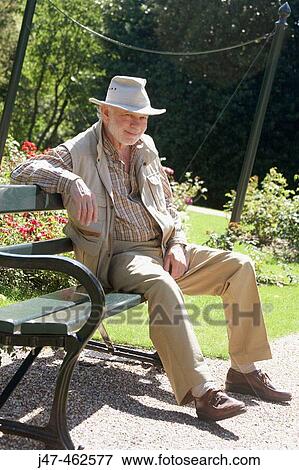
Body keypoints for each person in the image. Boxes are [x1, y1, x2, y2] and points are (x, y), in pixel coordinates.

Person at [11, 75, 291, 421]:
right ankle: (202, 392)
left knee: (239, 265)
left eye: (141, 117)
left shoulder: (147, 147)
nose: (136, 124)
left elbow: (169, 205)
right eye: (127, 115)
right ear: (105, 113)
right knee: (161, 282)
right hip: (117, 257)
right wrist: (70, 180)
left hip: (161, 248)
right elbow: (23, 170)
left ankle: (243, 372)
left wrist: (177, 243)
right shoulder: (81, 148)